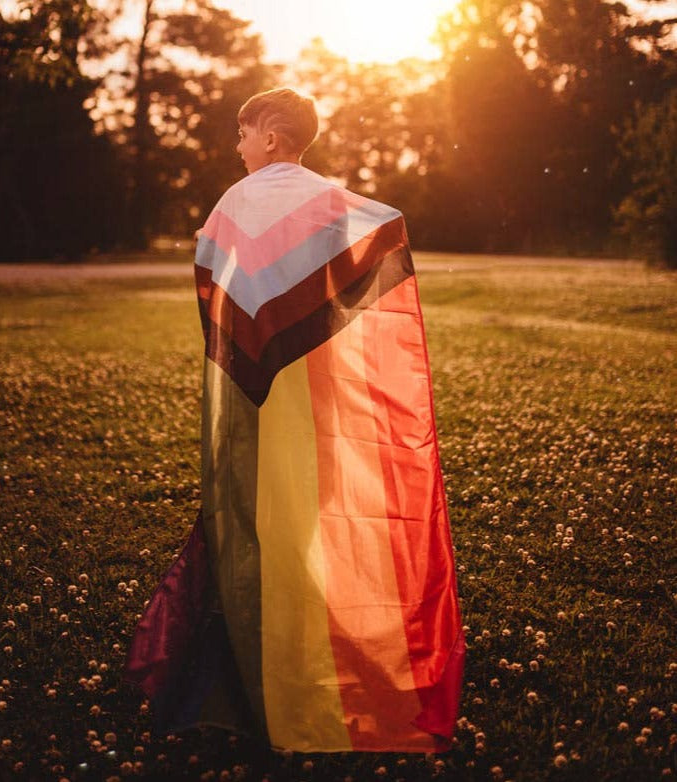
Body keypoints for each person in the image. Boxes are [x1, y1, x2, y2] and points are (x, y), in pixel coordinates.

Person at [126, 87, 464, 755]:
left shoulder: (236, 201)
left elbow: (217, 286)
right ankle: (309, 654)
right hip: (315, 404)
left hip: (252, 404)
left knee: (251, 523)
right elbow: (370, 244)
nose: (238, 147)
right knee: (305, 523)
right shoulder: (328, 201)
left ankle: (241, 674)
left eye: (244, 134)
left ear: (271, 139)